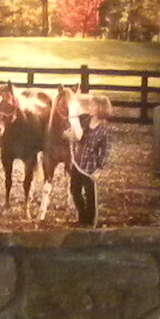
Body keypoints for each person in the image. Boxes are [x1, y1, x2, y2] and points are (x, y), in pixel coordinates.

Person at [67, 92, 114, 226]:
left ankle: (90, 223)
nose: (90, 108)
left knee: (90, 196)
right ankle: (82, 218)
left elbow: (106, 151)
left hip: (90, 167)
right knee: (74, 192)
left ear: (100, 108)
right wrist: (69, 136)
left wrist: (99, 170)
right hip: (77, 163)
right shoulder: (85, 120)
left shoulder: (105, 129)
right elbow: (76, 134)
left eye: (93, 106)